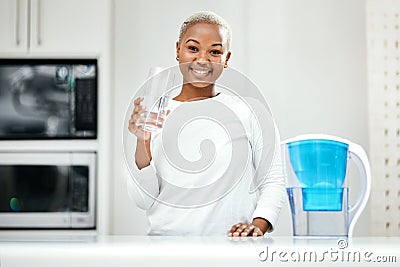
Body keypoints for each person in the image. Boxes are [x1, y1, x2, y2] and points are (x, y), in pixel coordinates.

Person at [127, 11, 286, 236]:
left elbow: (273, 180)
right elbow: (143, 200)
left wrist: (257, 226)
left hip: (232, 247)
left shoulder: (251, 112)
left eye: (214, 51)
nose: (202, 59)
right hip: (165, 249)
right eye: (193, 48)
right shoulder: (151, 115)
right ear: (177, 50)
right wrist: (142, 141)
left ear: (226, 59)